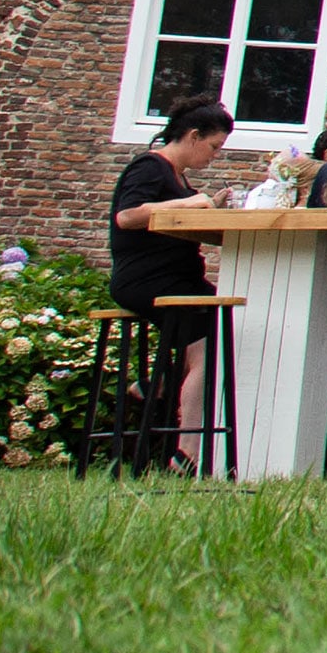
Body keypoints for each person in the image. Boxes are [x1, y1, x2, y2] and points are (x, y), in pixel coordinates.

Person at [107, 99, 232, 470]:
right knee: (209, 346)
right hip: (146, 279)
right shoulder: (150, 167)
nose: (214, 156)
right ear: (193, 136)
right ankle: (188, 451)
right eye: (213, 147)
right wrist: (195, 204)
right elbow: (127, 216)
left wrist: (208, 207)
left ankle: (158, 383)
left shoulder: (177, 178)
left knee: (226, 319)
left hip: (176, 278)